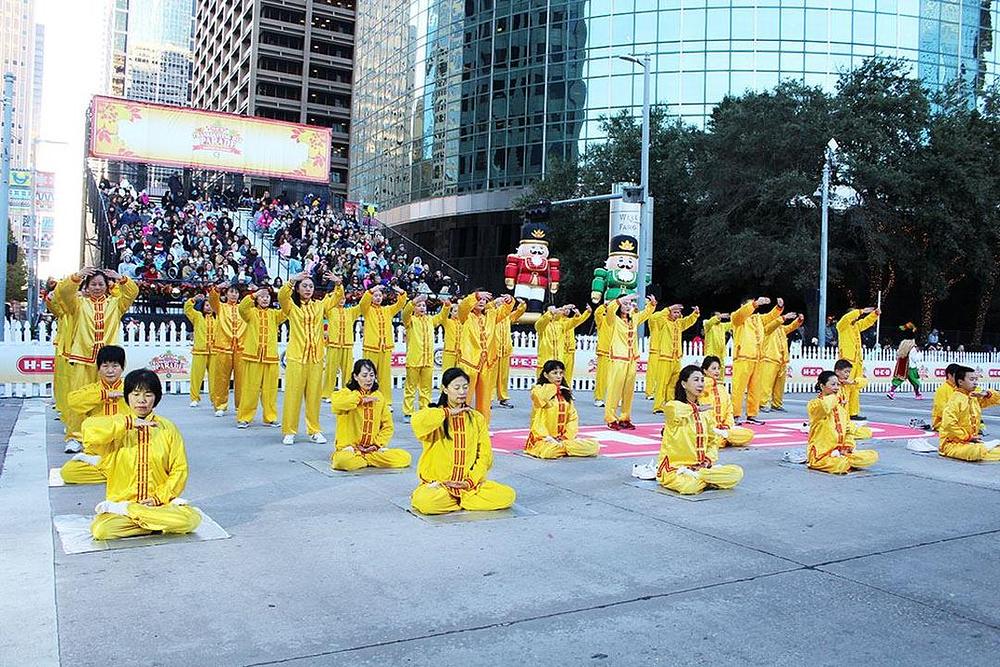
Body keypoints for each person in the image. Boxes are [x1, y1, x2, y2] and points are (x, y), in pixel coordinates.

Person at [86, 369, 202, 540]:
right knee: (101, 530)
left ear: (156, 398)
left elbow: (179, 469)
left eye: (148, 394)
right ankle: (152, 522)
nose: (141, 400)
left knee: (190, 520)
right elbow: (89, 431)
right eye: (136, 394)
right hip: (122, 505)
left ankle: (141, 519)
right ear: (127, 397)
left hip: (158, 505)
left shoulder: (167, 428)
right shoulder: (117, 425)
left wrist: (157, 498)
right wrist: (127, 423)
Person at [410, 368, 516, 514]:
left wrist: (469, 482)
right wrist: (447, 412)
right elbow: (417, 422)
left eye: (465, 387)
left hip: (468, 486)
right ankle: (460, 501)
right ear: (445, 390)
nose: (462, 392)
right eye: (457, 387)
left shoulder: (476, 418)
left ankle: (460, 500)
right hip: (440, 486)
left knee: (507, 495)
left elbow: (485, 456)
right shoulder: (436, 414)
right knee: (426, 502)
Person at [54, 268, 138, 451]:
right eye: (93, 284)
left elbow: (133, 292)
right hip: (82, 358)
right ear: (87, 286)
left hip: (107, 362)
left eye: (101, 284)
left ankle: (104, 433)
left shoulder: (116, 304)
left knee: (108, 398)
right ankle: (75, 437)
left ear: (107, 287)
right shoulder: (78, 304)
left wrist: (120, 278)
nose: (97, 287)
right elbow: (62, 292)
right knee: (80, 398)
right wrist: (76, 276)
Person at [656, 365, 744, 494]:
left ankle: (701, 477)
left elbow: (712, 441)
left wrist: (707, 460)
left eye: (702, 380)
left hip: (700, 468)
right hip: (676, 469)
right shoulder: (673, 406)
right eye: (696, 380)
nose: (701, 384)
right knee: (690, 487)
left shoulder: (706, 413)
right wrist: (696, 409)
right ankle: (705, 479)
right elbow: (675, 410)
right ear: (684, 384)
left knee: (736, 473)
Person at [279, 273, 336, 445]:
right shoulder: (291, 307)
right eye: (304, 286)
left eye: (310, 286)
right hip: (297, 357)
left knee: (314, 396)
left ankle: (314, 430)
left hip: (316, 357)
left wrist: (338, 284)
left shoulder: (319, 306)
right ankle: (289, 431)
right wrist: (292, 280)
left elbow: (335, 299)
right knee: (292, 396)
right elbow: (282, 295)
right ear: (297, 288)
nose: (308, 289)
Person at [60, 346, 130, 484]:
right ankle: (117, 472)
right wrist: (104, 395)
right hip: (98, 452)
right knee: (68, 473)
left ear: (122, 367)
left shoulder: (131, 389)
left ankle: (113, 471)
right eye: (105, 366)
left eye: (115, 366)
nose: (110, 371)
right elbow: (72, 401)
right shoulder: (92, 390)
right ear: (98, 368)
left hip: (125, 450)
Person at [329, 359, 411, 470]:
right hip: (350, 449)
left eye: (371, 375)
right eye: (364, 375)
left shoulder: (378, 397)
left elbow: (388, 426)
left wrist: (376, 445)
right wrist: (360, 399)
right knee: (342, 462)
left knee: (405, 457)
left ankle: (365, 458)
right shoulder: (346, 393)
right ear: (355, 376)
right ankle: (364, 458)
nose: (369, 379)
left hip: (372, 450)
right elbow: (337, 404)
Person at [806, 370, 879, 474]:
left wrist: (847, 446)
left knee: (872, 456)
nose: (836, 387)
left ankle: (845, 460)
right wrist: (836, 397)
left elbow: (848, 430)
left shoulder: (841, 407)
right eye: (833, 384)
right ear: (822, 386)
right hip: (821, 454)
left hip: (840, 451)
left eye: (838, 385)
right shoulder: (814, 404)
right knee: (841, 465)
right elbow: (826, 406)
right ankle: (843, 462)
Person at [524, 360, 599, 459]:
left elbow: (572, 418)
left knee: (594, 447)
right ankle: (565, 448)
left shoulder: (565, 393)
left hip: (563, 439)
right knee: (549, 452)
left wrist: (566, 437)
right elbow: (538, 418)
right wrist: (547, 438)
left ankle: (562, 447)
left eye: (561, 373)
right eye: (554, 373)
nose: (559, 376)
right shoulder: (537, 389)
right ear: (546, 375)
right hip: (544, 438)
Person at [457, 291, 513, 423]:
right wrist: (476, 295)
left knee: (485, 399)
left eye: (484, 300)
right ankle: (460, 423)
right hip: (469, 362)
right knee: (464, 397)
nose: (481, 302)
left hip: (487, 363)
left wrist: (509, 300)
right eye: (479, 300)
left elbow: (505, 311)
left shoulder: (492, 315)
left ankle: (483, 426)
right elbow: (463, 306)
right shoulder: (466, 316)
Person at [604, 293, 656, 429]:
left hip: (632, 359)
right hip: (618, 359)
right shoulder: (613, 319)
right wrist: (619, 300)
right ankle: (611, 418)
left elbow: (646, 314)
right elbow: (609, 309)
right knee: (614, 390)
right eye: (625, 304)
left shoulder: (634, 318)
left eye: (629, 304)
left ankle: (625, 418)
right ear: (619, 304)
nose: (627, 307)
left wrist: (651, 304)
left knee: (628, 391)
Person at [237, 287, 286, 428]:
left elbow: (287, 311)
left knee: (270, 391)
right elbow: (242, 308)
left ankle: (270, 417)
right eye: (262, 296)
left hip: (270, 356)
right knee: (250, 389)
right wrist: (253, 295)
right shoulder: (250, 313)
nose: (265, 299)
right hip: (253, 356)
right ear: (257, 298)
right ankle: (244, 417)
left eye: (267, 296)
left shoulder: (274, 314)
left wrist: (283, 295)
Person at [730, 296, 783, 424]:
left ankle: (752, 415)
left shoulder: (757, 318)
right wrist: (755, 304)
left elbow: (770, 317)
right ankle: (734, 415)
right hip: (743, 356)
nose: (755, 306)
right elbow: (741, 313)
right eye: (751, 304)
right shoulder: (737, 317)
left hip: (758, 358)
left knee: (755, 389)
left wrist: (778, 307)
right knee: (739, 389)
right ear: (744, 305)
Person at [937, 366, 1000, 462]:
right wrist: (967, 437)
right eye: (971, 379)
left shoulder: (974, 396)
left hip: (970, 442)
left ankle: (986, 447)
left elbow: (996, 399)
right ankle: (986, 448)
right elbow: (949, 424)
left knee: (984, 451)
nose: (975, 382)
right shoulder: (955, 400)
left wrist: (986, 394)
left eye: (976, 379)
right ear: (960, 382)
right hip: (952, 444)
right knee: (974, 452)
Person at [358, 284, 408, 402]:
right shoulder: (367, 310)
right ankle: (366, 398)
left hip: (385, 348)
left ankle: (386, 401)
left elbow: (400, 304)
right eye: (375, 296)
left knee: (385, 377)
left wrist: (401, 292)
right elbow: (362, 303)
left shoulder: (388, 310)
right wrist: (371, 290)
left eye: (380, 295)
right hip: (371, 347)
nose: (378, 298)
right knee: (367, 375)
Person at [401, 295, 447, 421]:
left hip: (427, 360)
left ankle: (424, 409)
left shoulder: (430, 320)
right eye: (419, 305)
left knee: (426, 388)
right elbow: (405, 313)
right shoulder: (410, 320)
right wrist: (413, 301)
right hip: (414, 359)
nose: (422, 307)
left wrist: (446, 306)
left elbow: (442, 317)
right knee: (410, 388)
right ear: (414, 308)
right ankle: (408, 412)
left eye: (423, 305)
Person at [208, 282, 247, 416]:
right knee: (221, 378)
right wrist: (217, 289)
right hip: (223, 347)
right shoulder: (221, 307)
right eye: (231, 292)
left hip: (241, 348)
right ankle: (220, 405)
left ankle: (240, 406)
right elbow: (212, 299)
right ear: (226, 294)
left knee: (241, 379)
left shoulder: (243, 309)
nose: (233, 294)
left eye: (236, 292)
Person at [653, 303, 700, 413]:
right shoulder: (663, 322)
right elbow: (655, 317)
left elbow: (688, 321)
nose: (677, 315)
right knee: (662, 384)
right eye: (674, 312)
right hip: (665, 357)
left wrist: (695, 314)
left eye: (678, 312)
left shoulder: (678, 323)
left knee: (673, 384)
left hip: (676, 358)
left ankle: (670, 404)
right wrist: (668, 309)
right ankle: (658, 406)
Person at [699, 356, 753, 447]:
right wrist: (710, 381)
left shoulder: (722, 388)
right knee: (712, 436)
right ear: (705, 370)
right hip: (708, 427)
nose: (717, 371)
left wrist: (727, 425)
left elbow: (729, 410)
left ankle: (723, 436)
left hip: (723, 429)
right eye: (713, 368)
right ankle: (722, 437)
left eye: (718, 369)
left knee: (749, 434)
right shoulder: (701, 386)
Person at [837, 306, 880, 420]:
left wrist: (874, 314)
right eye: (854, 314)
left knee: (855, 386)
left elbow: (866, 322)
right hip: (846, 361)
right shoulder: (842, 325)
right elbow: (847, 318)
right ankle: (844, 411)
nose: (857, 317)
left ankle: (853, 413)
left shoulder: (855, 326)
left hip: (857, 361)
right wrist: (861, 311)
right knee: (845, 386)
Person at [322, 277, 361, 400]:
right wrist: (334, 291)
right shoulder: (330, 310)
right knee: (330, 370)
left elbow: (362, 305)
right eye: (340, 298)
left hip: (347, 345)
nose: (342, 300)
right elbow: (324, 303)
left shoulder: (351, 311)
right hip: (333, 344)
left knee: (348, 370)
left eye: (343, 298)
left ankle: (347, 392)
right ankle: (327, 393)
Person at [759, 312, 804, 412]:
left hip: (781, 360)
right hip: (769, 359)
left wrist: (799, 320)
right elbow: (773, 325)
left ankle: (777, 404)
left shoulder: (781, 329)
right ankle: (763, 403)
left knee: (780, 385)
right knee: (766, 384)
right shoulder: (767, 328)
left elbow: (791, 327)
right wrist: (784, 317)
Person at [494, 298, 527, 409]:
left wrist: (522, 304)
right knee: (491, 377)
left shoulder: (508, 317)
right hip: (493, 350)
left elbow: (519, 312)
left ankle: (503, 398)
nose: (501, 305)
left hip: (505, 350)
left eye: (503, 304)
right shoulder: (491, 316)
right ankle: (488, 399)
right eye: (499, 303)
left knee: (504, 377)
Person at [183, 295, 215, 408]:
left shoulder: (218, 318)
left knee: (215, 378)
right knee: (196, 377)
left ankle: (214, 399)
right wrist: (194, 299)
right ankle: (194, 398)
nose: (209, 307)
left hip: (214, 352)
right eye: (207, 305)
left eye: (211, 305)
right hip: (200, 351)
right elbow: (187, 309)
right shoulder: (197, 316)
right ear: (202, 306)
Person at [561, 304, 591, 387]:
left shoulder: (570, 321)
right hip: (561, 351)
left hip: (570, 351)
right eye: (565, 309)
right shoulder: (557, 321)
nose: (567, 311)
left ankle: (567, 391)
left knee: (568, 373)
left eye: (568, 309)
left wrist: (587, 312)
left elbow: (579, 320)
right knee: (559, 373)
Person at [887, 334, 923, 400]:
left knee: (899, 380)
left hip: (904, 366)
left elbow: (898, 355)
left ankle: (891, 391)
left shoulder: (903, 347)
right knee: (916, 382)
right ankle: (917, 394)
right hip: (911, 367)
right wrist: (919, 354)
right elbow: (915, 359)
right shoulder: (913, 349)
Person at [931, 364, 961, 430]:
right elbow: (941, 410)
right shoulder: (942, 389)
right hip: (943, 423)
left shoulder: (961, 388)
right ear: (949, 375)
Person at [592, 302, 610, 408]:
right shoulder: (602, 320)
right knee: (602, 377)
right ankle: (599, 398)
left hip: (617, 353)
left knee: (616, 378)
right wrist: (605, 305)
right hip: (604, 352)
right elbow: (597, 313)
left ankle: (615, 398)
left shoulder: (618, 321)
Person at [439, 301, 461, 371]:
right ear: (451, 312)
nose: (457, 313)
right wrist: (447, 307)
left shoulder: (463, 322)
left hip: (461, 353)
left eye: (459, 311)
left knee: (459, 374)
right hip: (449, 352)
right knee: (447, 374)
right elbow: (443, 316)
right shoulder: (447, 321)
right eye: (455, 311)